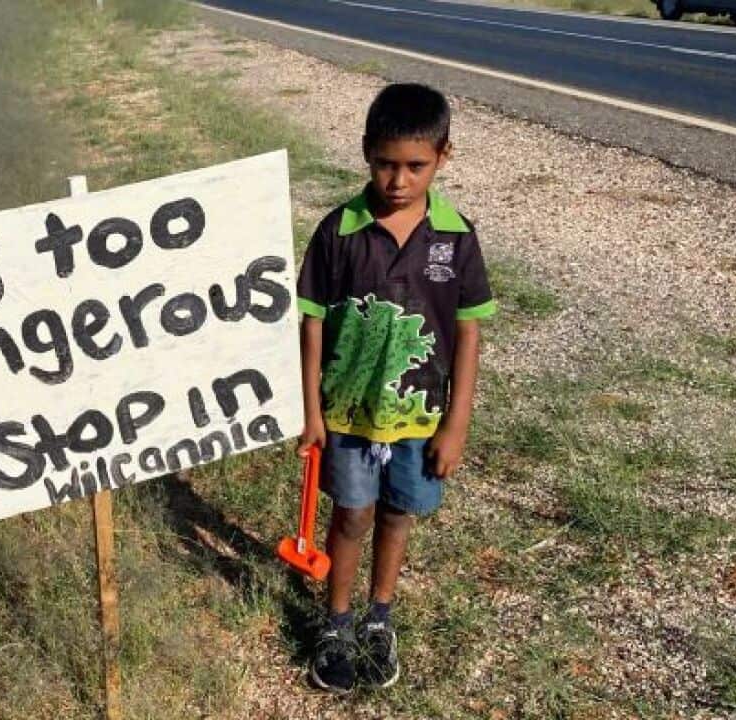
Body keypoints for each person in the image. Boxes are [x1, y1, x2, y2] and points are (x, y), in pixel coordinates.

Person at [295, 83, 496, 694]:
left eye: (415, 165)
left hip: (419, 418)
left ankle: (380, 618)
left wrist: (455, 425)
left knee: (399, 514)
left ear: (444, 156)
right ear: (365, 153)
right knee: (351, 515)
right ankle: (337, 622)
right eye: (385, 163)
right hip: (348, 416)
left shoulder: (456, 236)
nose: (398, 180)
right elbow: (311, 323)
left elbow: (466, 333)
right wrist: (311, 412)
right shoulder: (338, 232)